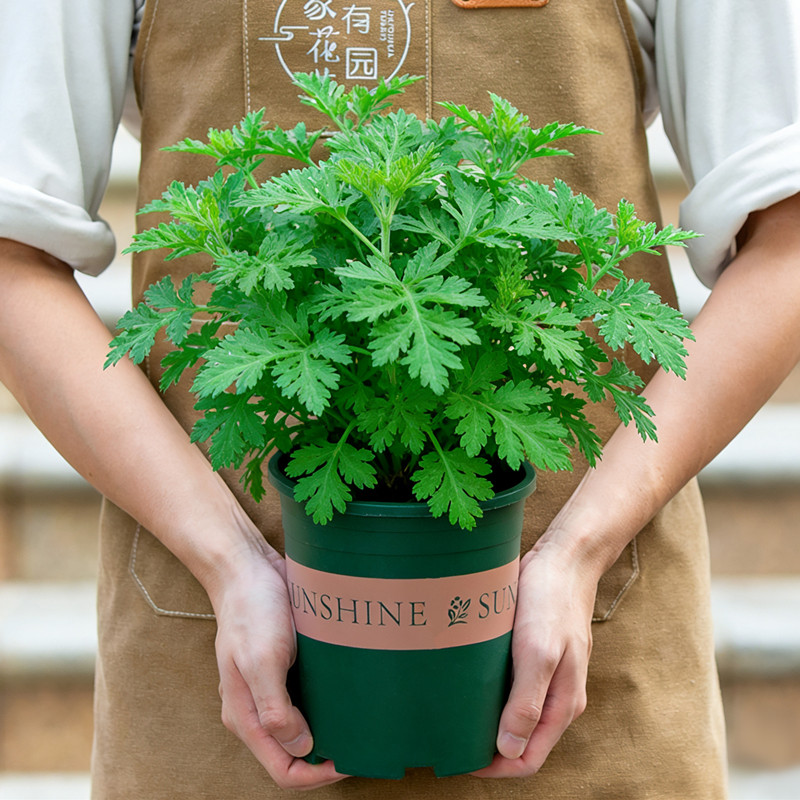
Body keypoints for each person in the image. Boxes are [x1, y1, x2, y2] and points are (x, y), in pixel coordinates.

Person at [1, 0, 799, 797]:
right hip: (219, 650)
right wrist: (230, 563)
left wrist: (579, 551)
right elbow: (11, 257)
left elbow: (788, 235)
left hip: (585, 645)